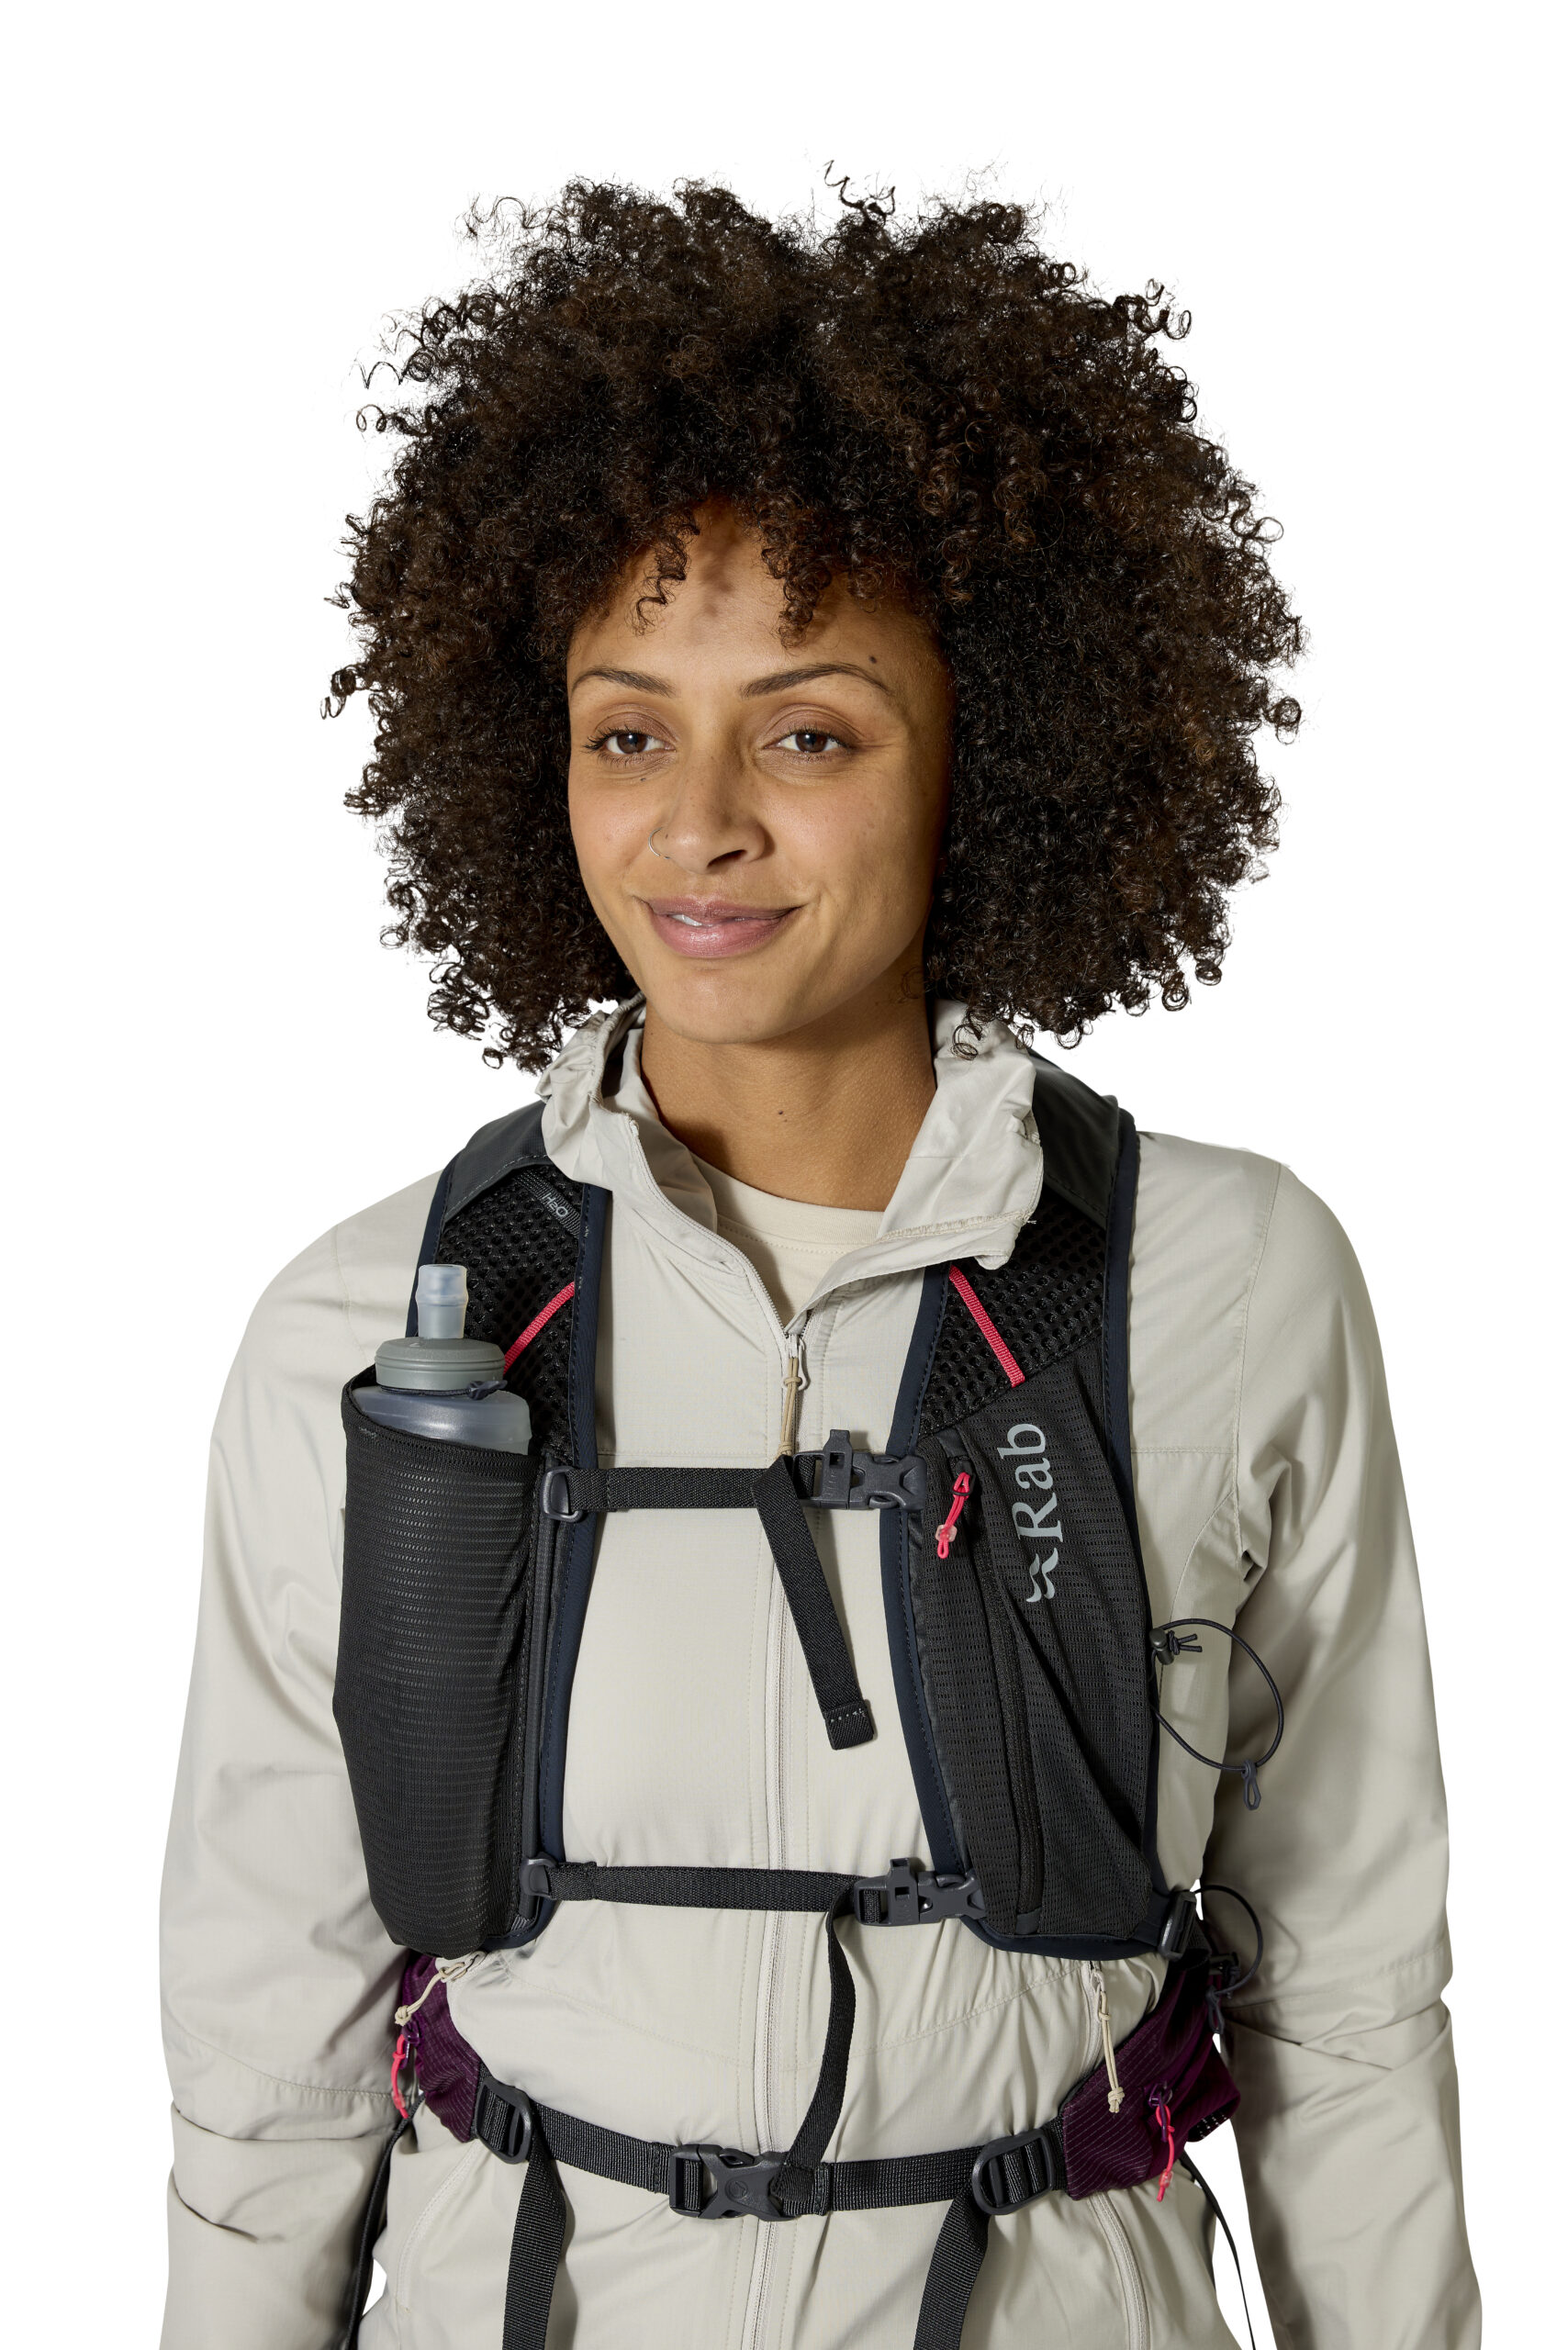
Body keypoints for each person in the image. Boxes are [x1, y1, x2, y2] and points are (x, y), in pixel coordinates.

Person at [159, 182, 1480, 2349]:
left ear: (988, 754)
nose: (698, 823)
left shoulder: (1227, 1281)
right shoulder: (361, 1325)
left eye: (808, 730)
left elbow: (1340, 1987)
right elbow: (264, 2030)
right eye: (625, 730)